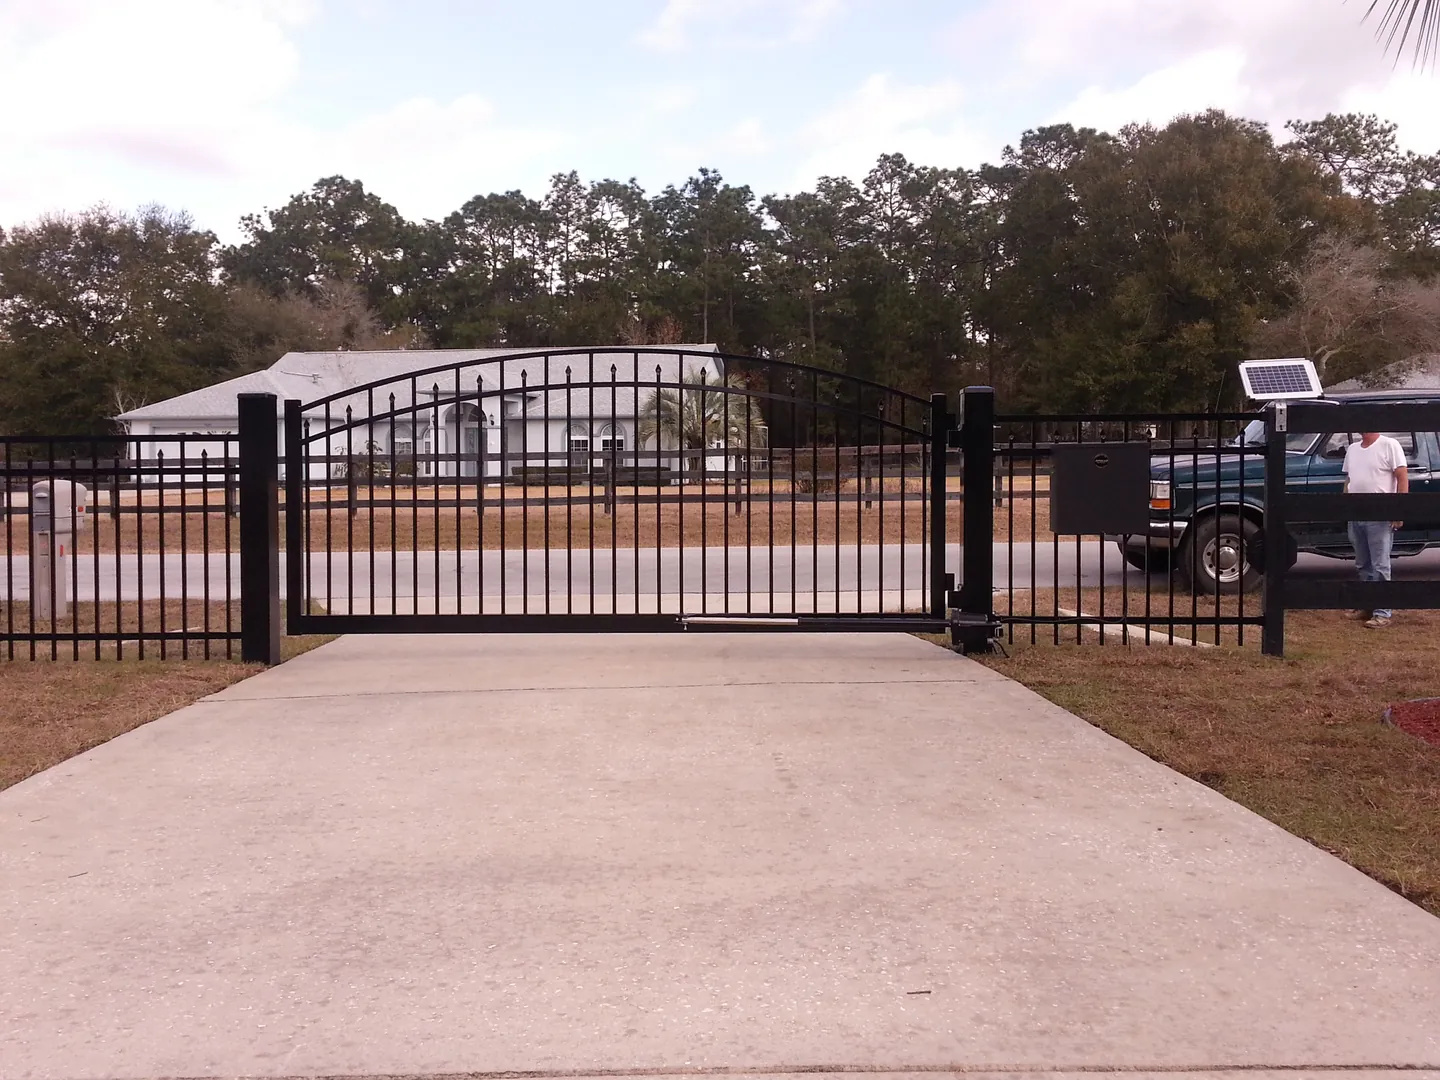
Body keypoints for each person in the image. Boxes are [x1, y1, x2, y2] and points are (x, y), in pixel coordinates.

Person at [1342, 431, 1409, 628]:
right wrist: (1344, 504)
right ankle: (1366, 605)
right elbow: (1349, 480)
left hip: (1379, 515)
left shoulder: (1390, 445)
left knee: (1380, 564)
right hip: (1356, 515)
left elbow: (1402, 477)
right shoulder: (1352, 449)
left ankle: (1383, 612)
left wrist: (1399, 509)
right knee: (1362, 563)